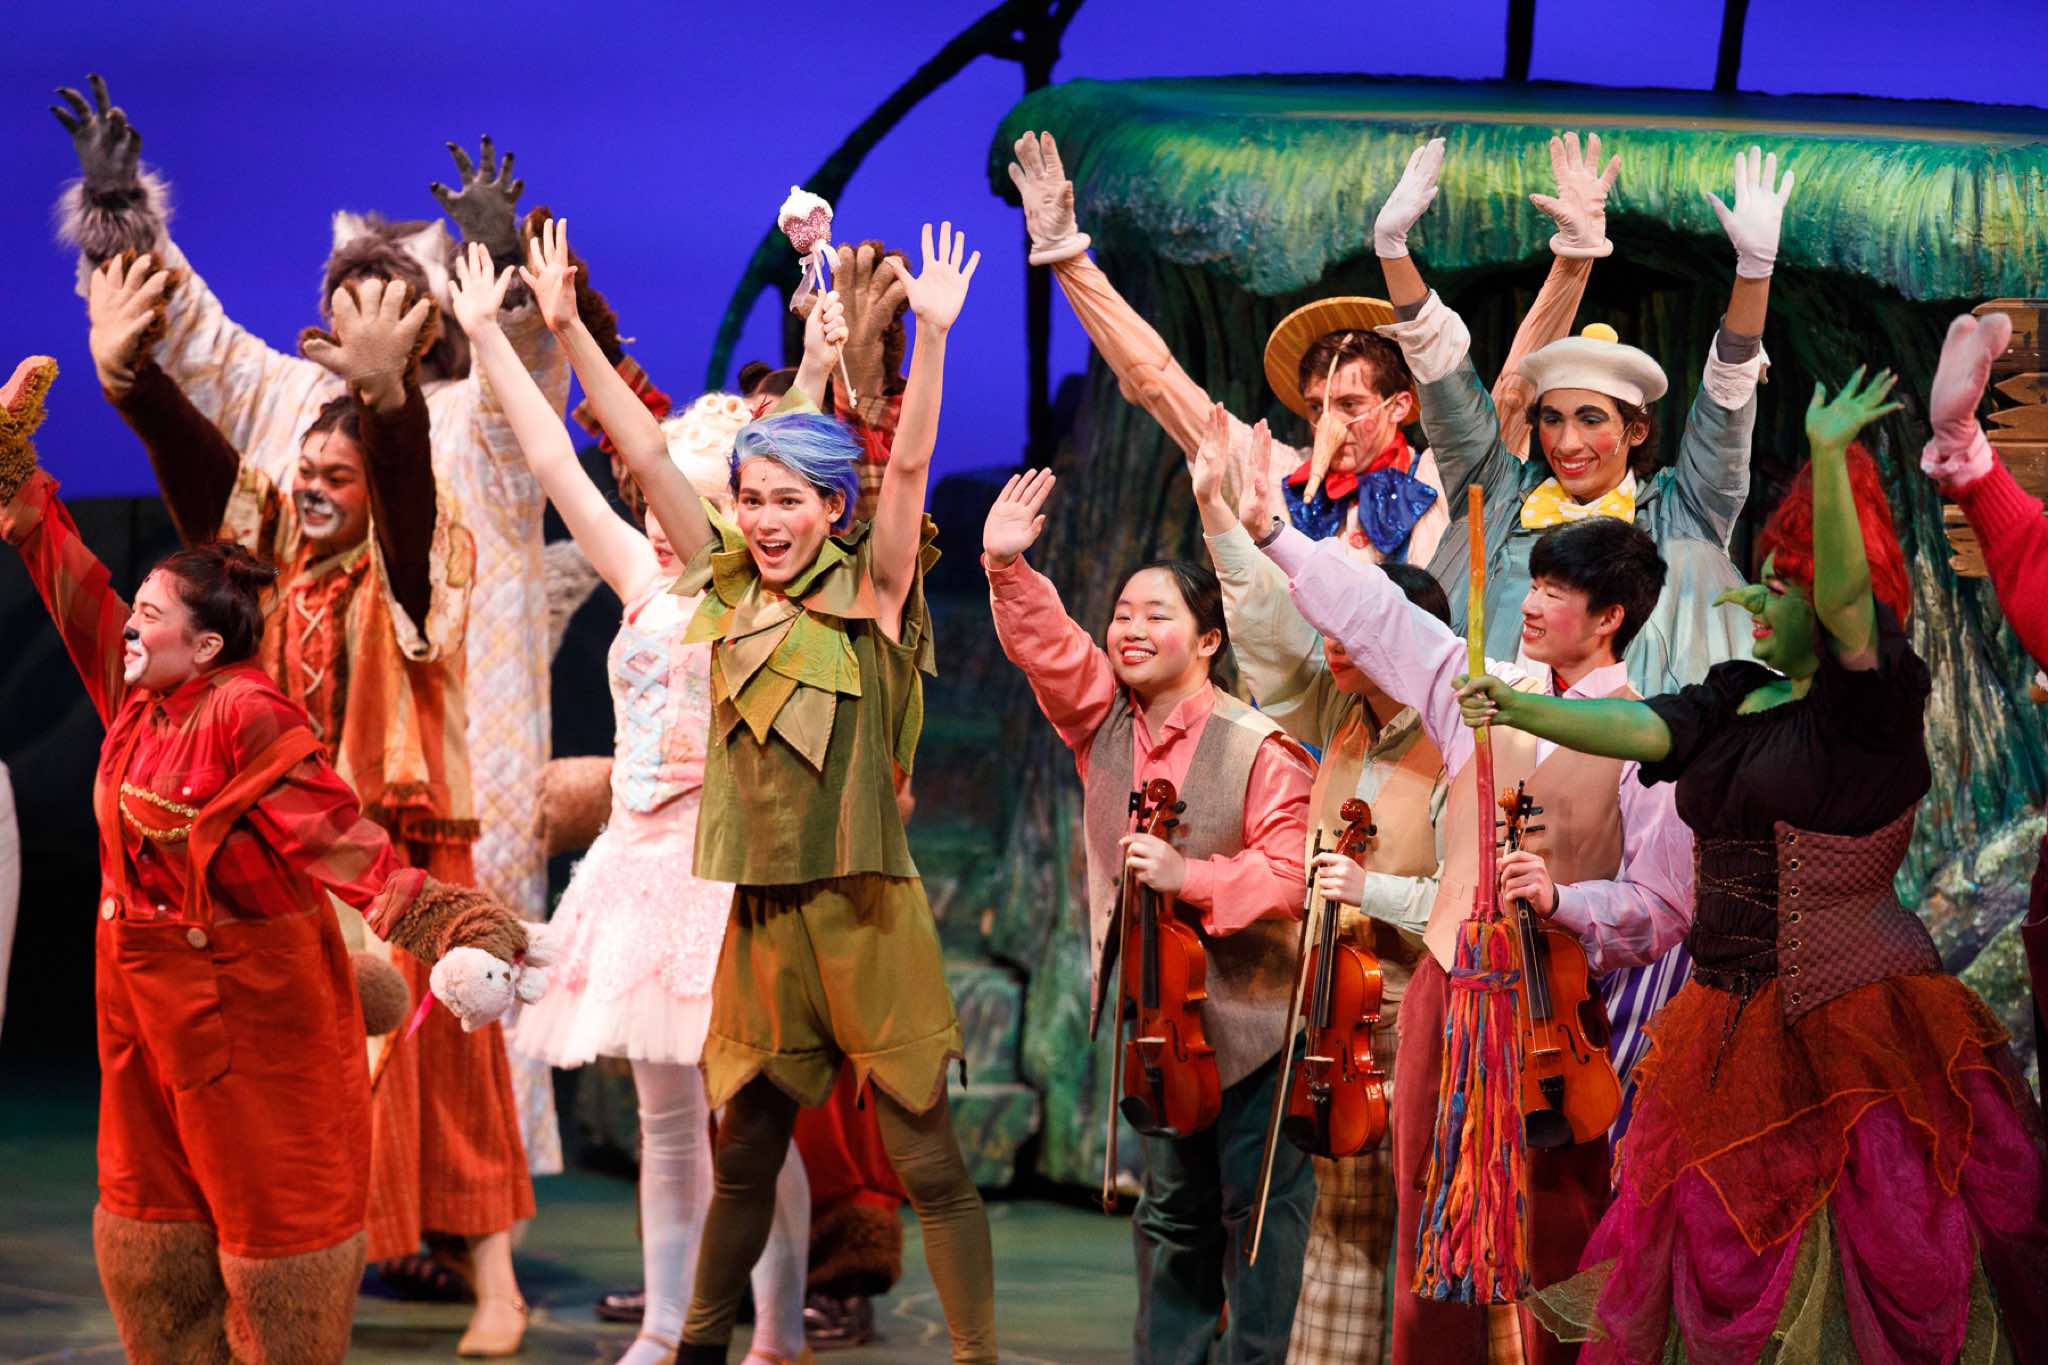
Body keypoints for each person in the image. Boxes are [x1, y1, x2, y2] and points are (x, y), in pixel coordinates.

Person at [1454, 369, 2048, 1360]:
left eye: (1778, 586)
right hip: (1725, 1023)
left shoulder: (1868, 707)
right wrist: (1524, 706)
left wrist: (1827, 459)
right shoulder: (1735, 694)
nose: (1749, 597)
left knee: (1856, 1262)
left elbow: (1850, 603)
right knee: (1706, 1263)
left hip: (1853, 1027)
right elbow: (1646, 728)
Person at [51, 72, 571, 1189]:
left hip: (457, 753)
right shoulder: (292, 402)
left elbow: (525, 382)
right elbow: (192, 352)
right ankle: (329, 1216)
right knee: (328, 1016)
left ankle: (457, 1233)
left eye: (390, 302)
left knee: (463, 994)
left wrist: (501, 267)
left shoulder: (472, 416)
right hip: (309, 761)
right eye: (348, 301)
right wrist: (121, 213)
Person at [0, 354, 539, 1365]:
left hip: (249, 1011)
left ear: (206, 646)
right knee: (153, 1227)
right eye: (139, 610)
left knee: (274, 1237)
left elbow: (346, 843)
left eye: (152, 616)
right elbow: (73, 588)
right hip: (142, 1012)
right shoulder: (138, 694)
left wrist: (456, 923)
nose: (132, 626)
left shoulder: (245, 713)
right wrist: (14, 476)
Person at [532, 215, 995, 1363]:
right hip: (760, 923)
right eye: (752, 501)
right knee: (740, 1155)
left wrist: (934, 341)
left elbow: (910, 469)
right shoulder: (725, 590)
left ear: (832, 507)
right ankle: (703, 1344)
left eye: (791, 501)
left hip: (863, 910)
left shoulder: (874, 588)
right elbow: (643, 458)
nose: (767, 520)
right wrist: (568, 332)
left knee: (926, 1158)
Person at [1236, 434, 1693, 1363]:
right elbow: (1384, 619)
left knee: (1560, 1230)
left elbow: (1662, 905)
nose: (1532, 603)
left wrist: (1567, 900)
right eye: (1535, 583)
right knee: (1427, 1217)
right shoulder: (1483, 693)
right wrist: (1278, 536)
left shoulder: (1646, 736)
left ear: (1609, 616)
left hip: (1553, 1016)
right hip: (1448, 989)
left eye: (1556, 592)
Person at [445, 239, 814, 1365]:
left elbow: (732, 449)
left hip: (730, 869)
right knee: (666, 1120)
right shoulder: (642, 582)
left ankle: (775, 1333)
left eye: (686, 498)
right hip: (639, 864)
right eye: (657, 497)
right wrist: (489, 338)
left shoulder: (757, 597)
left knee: (750, 1121)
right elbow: (554, 458)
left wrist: (820, 349)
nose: (658, 513)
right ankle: (662, 1326)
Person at [986, 467, 1316, 1361]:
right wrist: (1007, 568)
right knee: (1170, 1217)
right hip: (1161, 1025)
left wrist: (1191, 874)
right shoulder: (1104, 722)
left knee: (1259, 1221)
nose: (1130, 628)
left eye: (1155, 615)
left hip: (1255, 1025)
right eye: (1123, 613)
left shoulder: (1259, 746)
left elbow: (1292, 873)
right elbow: (1053, 651)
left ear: (1208, 639)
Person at [1007, 130, 1617, 566]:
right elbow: (1156, 379)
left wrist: (1574, 261)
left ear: (1401, 405)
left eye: (1350, 405)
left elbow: (1514, 393)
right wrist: (1069, 259)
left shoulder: (1445, 474)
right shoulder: (1271, 474)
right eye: (1317, 406)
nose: (1331, 423)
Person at [1187, 409, 1452, 1365]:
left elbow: (1468, 899)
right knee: (1339, 1235)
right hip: (1337, 1010)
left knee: (1428, 1228)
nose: (1334, 636)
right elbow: (1264, 629)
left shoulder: (1456, 741)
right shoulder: (1339, 711)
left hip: (1419, 1011)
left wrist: (1370, 890)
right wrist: (1222, 516)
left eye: (1358, 622)